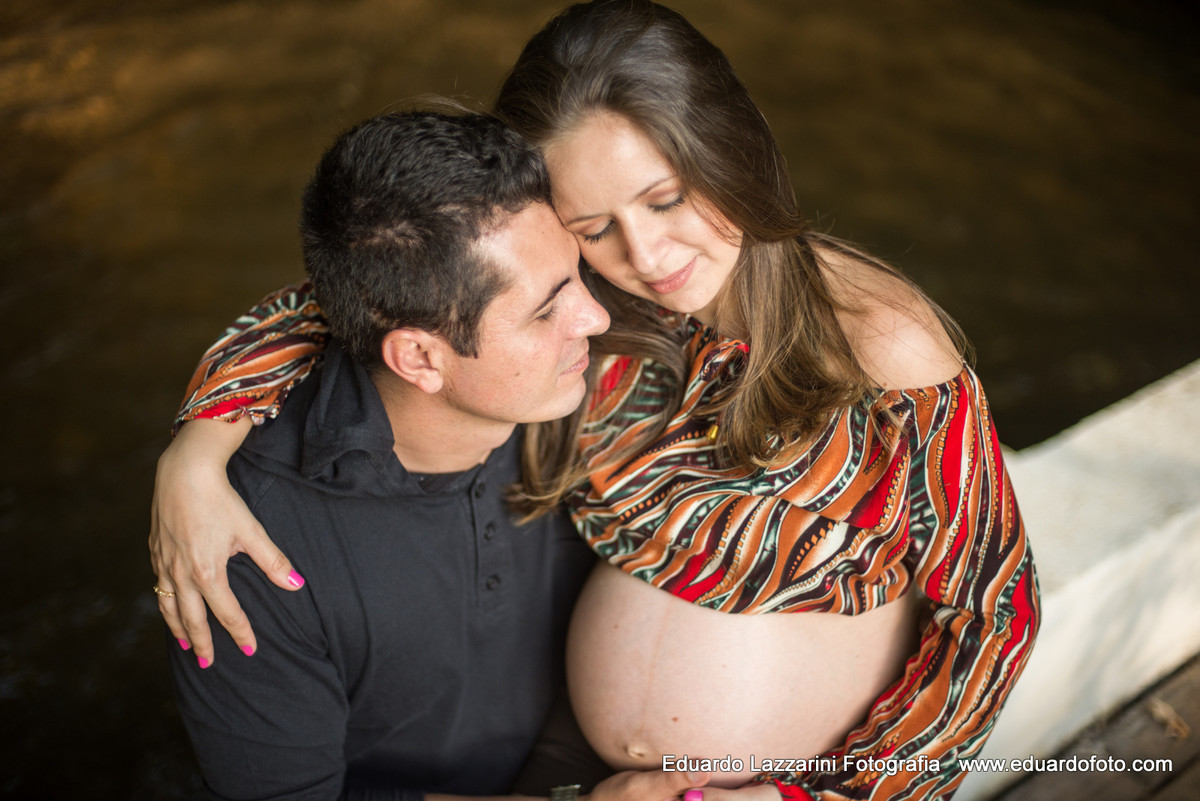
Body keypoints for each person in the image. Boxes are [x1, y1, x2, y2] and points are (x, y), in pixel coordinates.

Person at [152, 2, 1040, 799]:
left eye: (667, 199)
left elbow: (996, 611)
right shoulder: (590, 302)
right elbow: (369, 289)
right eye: (592, 228)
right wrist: (197, 447)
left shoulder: (879, 346)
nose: (647, 255)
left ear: (726, 148)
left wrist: (834, 799)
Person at [159, 107, 719, 801]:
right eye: (546, 310)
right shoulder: (246, 551)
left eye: (578, 272)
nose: (597, 316)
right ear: (420, 356)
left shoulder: (577, 384)